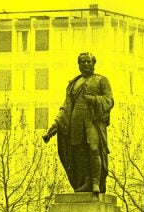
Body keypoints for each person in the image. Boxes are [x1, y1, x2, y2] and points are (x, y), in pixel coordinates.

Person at [44, 52, 114, 194]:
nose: (86, 64)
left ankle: (95, 182)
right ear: (79, 64)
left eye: (89, 62)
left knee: (94, 149)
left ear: (94, 63)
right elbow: (66, 106)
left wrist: (94, 100)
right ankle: (86, 181)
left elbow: (109, 101)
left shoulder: (101, 80)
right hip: (76, 120)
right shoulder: (73, 83)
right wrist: (55, 125)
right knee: (80, 152)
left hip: (92, 120)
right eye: (83, 62)